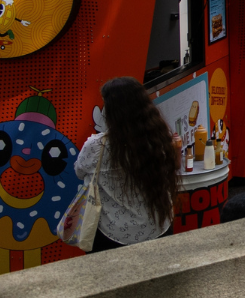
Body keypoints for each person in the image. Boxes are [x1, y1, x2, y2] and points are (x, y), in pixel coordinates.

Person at [75, 76, 180, 251]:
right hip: (158, 226)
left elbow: (79, 171)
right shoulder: (158, 137)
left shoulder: (97, 146)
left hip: (112, 236)